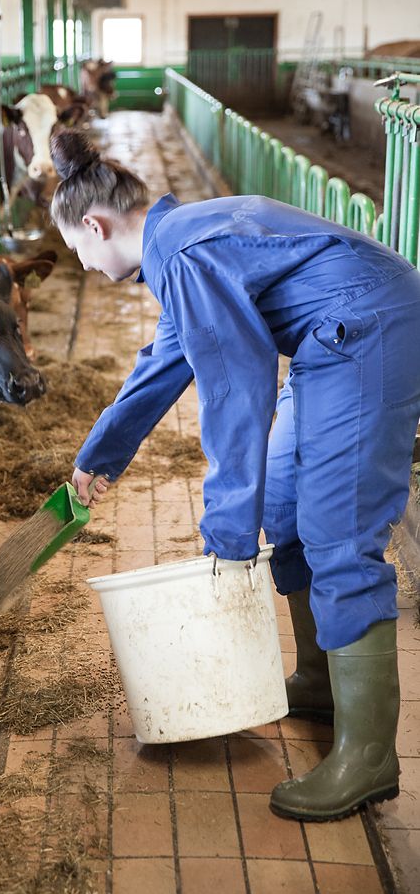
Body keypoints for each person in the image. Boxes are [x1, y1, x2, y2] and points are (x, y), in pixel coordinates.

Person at [50, 128, 420, 822]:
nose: (86, 266)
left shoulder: (183, 253)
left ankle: (368, 757)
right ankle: (317, 678)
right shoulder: (178, 245)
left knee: (337, 532)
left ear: (93, 225)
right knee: (282, 507)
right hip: (331, 339)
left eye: (77, 253)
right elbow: (164, 366)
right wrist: (97, 459)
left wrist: (224, 532)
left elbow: (236, 389)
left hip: (370, 329)